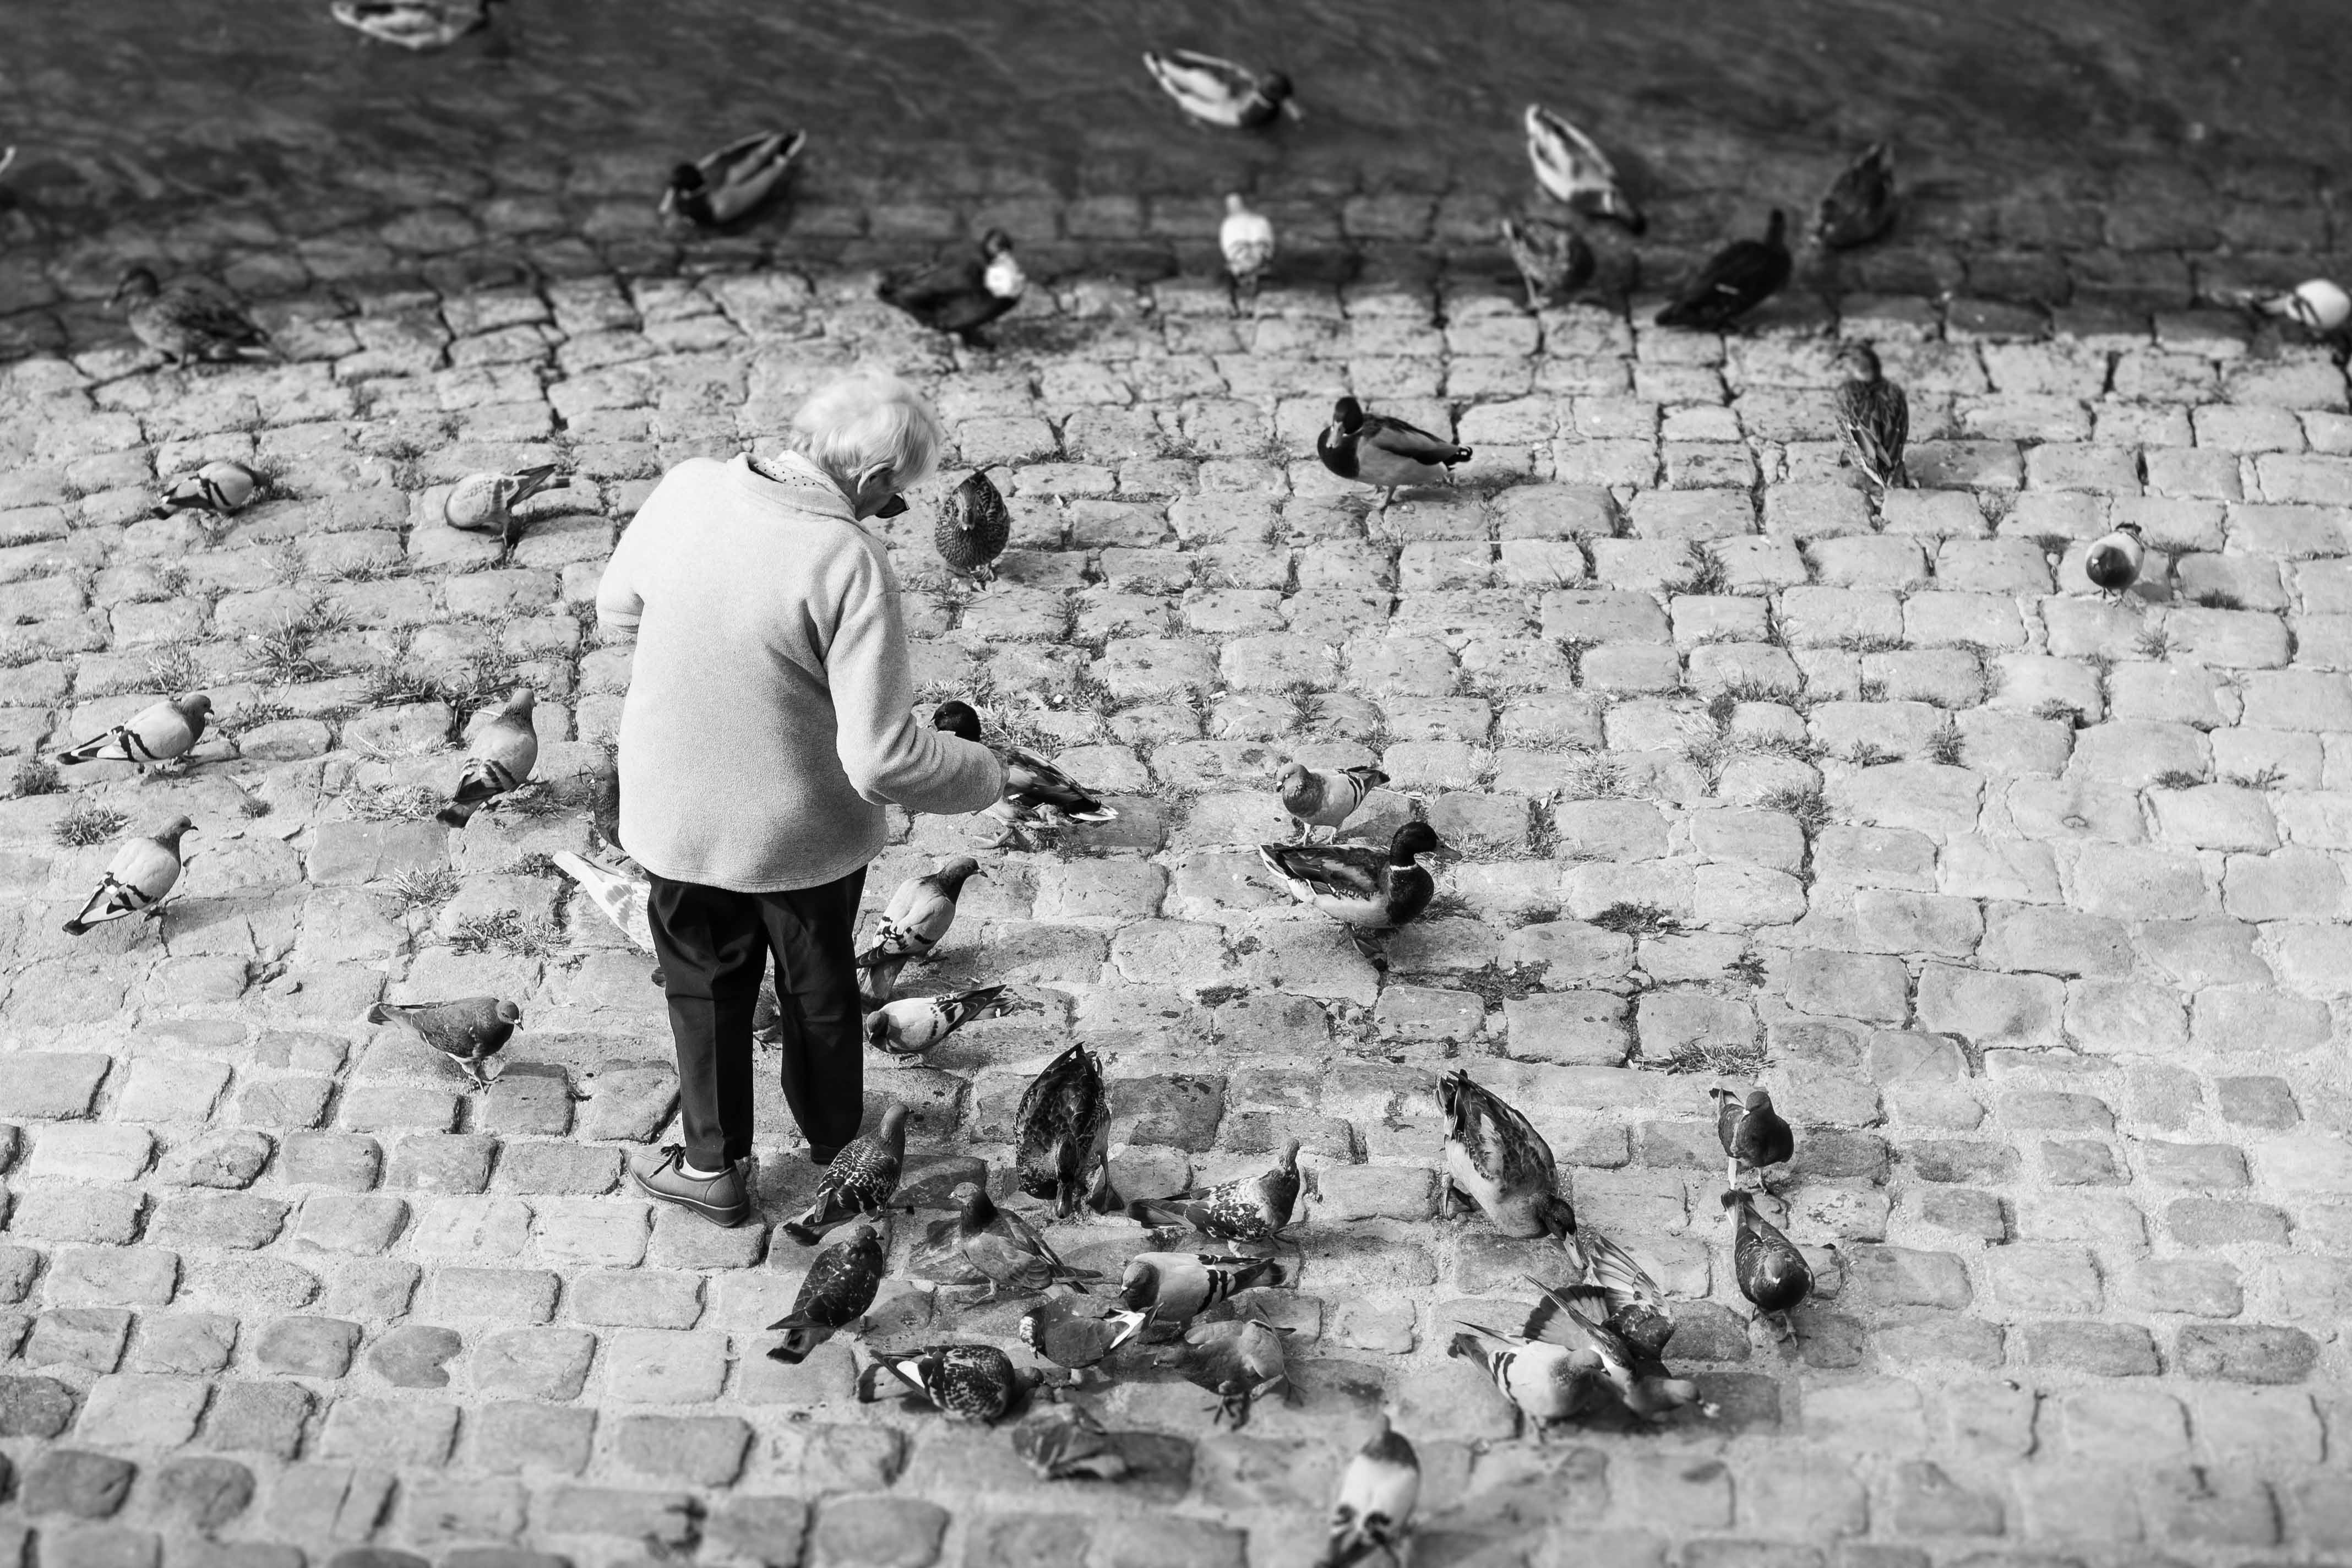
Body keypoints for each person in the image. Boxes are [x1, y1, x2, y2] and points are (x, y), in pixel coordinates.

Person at [594, 369, 1003, 1227]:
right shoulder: (846, 558)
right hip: (799, 832)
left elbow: (618, 612)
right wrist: (981, 772)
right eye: (896, 495)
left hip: (676, 812)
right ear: (878, 481)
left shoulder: (688, 489)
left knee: (703, 985)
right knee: (818, 986)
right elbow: (883, 759)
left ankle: (712, 1166)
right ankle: (836, 1147)